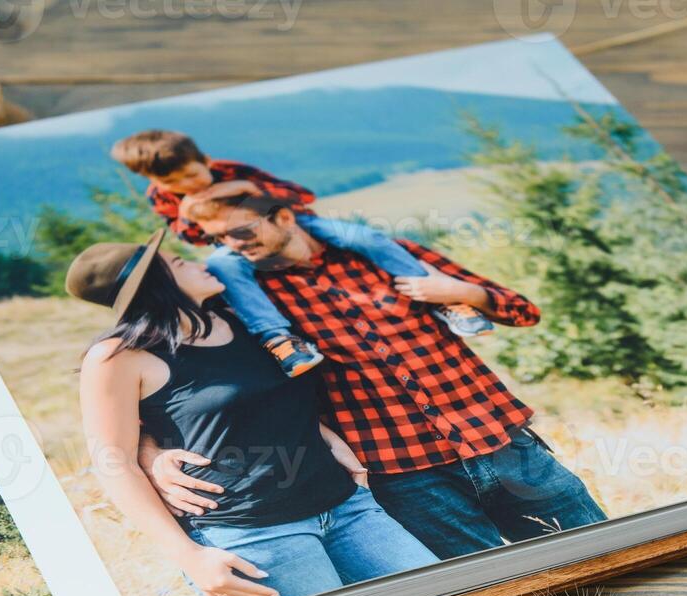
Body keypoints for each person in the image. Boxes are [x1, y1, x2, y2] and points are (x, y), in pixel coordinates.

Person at [141, 191, 610, 562]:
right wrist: (152, 453)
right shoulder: (243, 303)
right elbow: (180, 379)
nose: (234, 247)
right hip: (403, 476)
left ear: (284, 217)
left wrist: (463, 291)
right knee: (494, 592)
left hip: (506, 445)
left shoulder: (385, 255)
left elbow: (522, 310)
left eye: (243, 231)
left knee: (602, 554)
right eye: (220, 241)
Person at [68, 228, 437, 596]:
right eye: (179, 263)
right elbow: (114, 464)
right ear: (156, 285)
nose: (197, 264)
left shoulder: (242, 320)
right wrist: (190, 556)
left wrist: (326, 436)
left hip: (347, 508)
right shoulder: (117, 358)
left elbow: (269, 401)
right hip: (252, 535)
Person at [110, 129, 493, 379]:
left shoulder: (234, 170)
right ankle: (280, 339)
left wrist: (248, 188)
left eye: (190, 176)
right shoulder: (164, 199)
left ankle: (443, 299)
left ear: (206, 161)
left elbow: (302, 197)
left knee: (363, 237)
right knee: (222, 266)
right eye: (170, 182)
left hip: (296, 225)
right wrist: (188, 211)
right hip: (233, 245)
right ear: (153, 182)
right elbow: (194, 236)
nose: (184, 186)